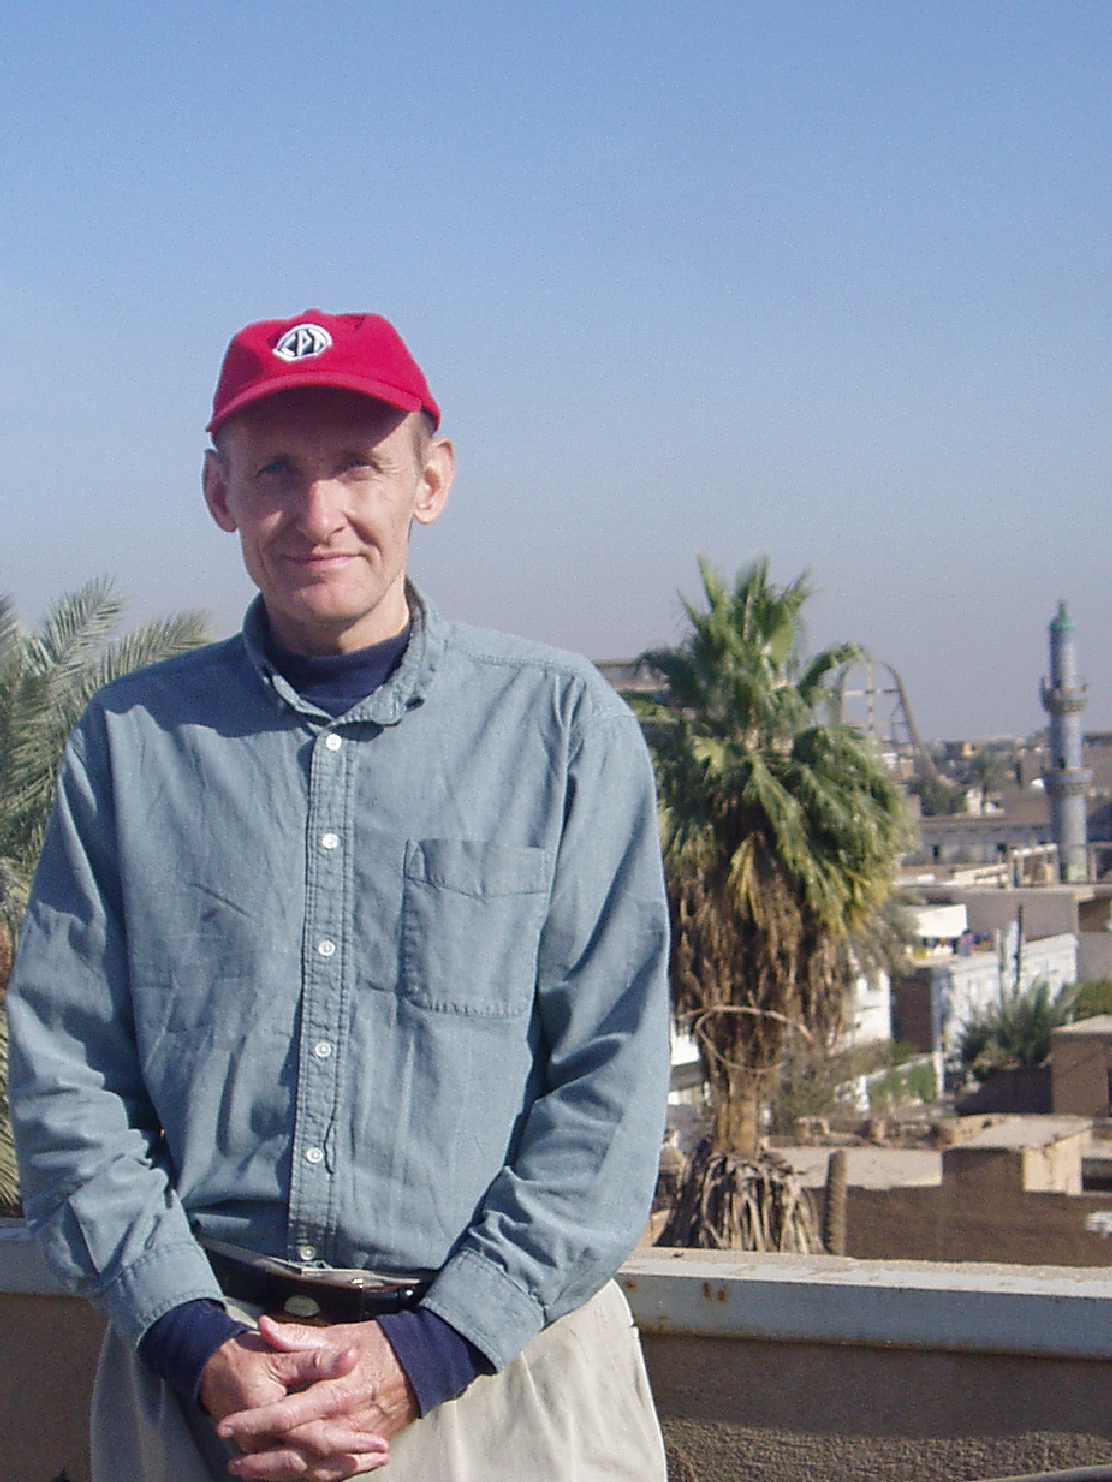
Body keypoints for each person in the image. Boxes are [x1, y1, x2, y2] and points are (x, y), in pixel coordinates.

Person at [7, 310, 671, 1482]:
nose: (318, 515)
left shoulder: (561, 729)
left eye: (358, 465)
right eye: (276, 471)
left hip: (503, 1390)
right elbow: (67, 1075)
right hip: (205, 1396)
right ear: (220, 492)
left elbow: (608, 1086)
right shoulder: (130, 745)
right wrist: (198, 1342)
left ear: (432, 480)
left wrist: (427, 1347)